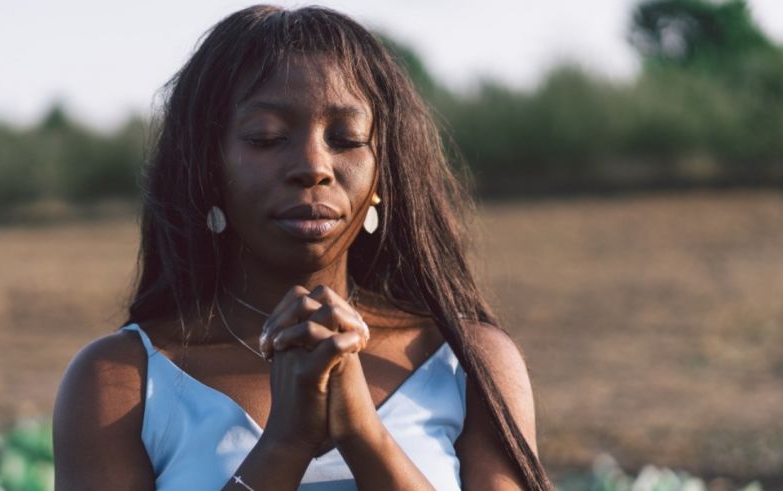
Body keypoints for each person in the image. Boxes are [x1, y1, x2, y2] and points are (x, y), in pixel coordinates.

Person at [52, 5, 552, 490]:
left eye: (347, 138)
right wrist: (285, 444)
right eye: (267, 138)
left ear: (382, 175)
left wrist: (364, 435)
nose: (314, 165)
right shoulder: (122, 381)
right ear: (207, 172)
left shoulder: (468, 363)